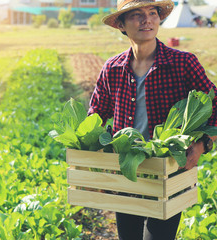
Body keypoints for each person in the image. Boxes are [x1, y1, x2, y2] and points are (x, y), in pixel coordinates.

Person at [87, 0, 217, 239]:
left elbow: (215, 105)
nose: (147, 20)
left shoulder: (183, 64)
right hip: (127, 171)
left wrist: (202, 145)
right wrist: (95, 161)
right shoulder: (112, 68)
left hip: (167, 171)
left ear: (159, 19)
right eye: (137, 14)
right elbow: (94, 117)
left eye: (152, 13)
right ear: (122, 25)